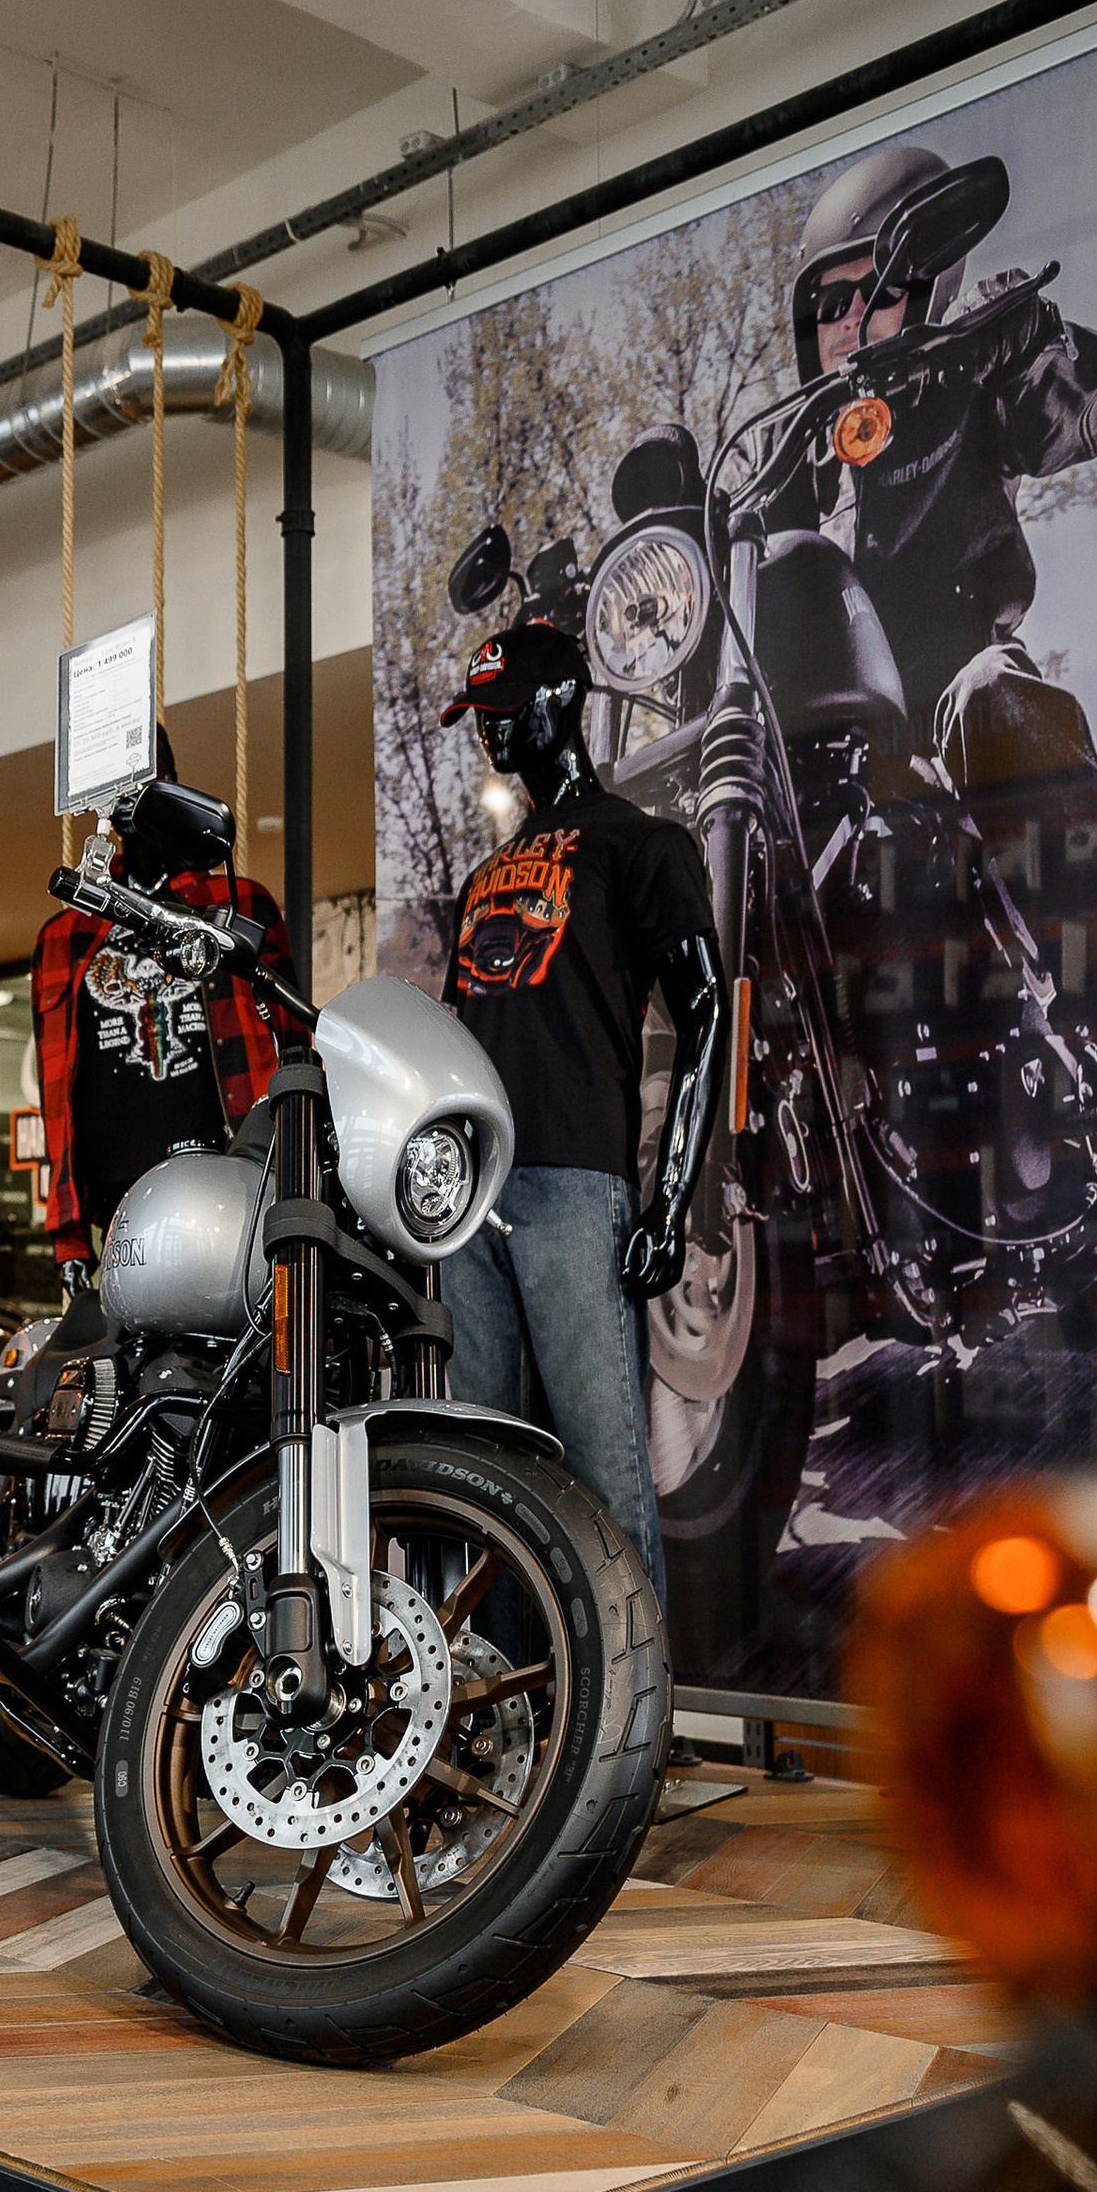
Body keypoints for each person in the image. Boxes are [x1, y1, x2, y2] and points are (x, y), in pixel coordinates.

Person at [774, 144, 1097, 1151]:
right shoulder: (783, 455)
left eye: (874, 295)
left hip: (941, 702)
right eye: (827, 304)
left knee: (995, 689)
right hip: (820, 746)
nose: (847, 322)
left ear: (926, 295)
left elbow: (1093, 401)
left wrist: (1028, 341)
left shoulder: (961, 387)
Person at [437, 623, 725, 1605]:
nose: (489, 730)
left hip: (575, 1182)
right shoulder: (481, 881)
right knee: (486, 1484)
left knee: (604, 1482)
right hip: (471, 1201)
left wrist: (670, 1201)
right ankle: (514, 1692)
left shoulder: (638, 844)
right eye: (479, 714)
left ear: (561, 702)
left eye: (503, 709)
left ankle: (631, 1700)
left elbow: (706, 1011)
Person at [35, 735, 306, 1283]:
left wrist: (299, 1178)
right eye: (117, 785)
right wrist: (68, 1236)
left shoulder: (237, 905)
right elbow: (56, 1092)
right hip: (120, 1208)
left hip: (235, 1184)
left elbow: (296, 1048)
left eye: (145, 781)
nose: (130, 798)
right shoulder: (64, 936)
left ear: (172, 789)